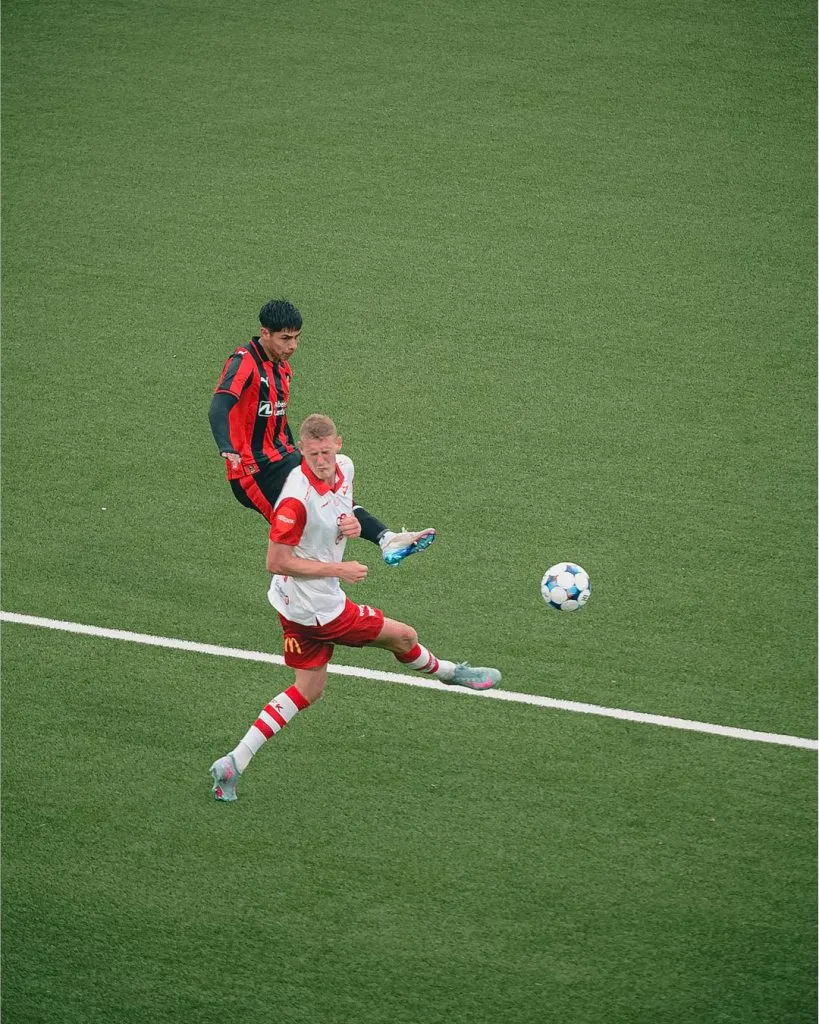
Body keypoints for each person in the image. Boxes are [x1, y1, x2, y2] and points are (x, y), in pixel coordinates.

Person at [208, 414, 501, 802]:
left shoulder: (344, 469)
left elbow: (347, 508)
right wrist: (339, 569)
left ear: (338, 445)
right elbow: (276, 561)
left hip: (293, 604)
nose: (322, 461)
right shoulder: (294, 500)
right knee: (404, 636)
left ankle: (233, 762)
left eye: (327, 451)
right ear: (302, 453)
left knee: (308, 690)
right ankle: (450, 673)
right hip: (319, 609)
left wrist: (378, 534)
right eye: (313, 455)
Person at [208, 298, 435, 566]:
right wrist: (227, 447)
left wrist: (295, 451)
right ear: (265, 333)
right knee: (306, 535)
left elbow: (277, 417)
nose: (292, 346)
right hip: (254, 471)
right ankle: (307, 599)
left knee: (334, 496)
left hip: (285, 458)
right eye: (285, 338)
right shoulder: (244, 363)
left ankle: (387, 539)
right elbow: (219, 406)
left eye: (296, 338)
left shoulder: (283, 367)